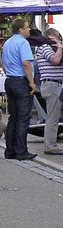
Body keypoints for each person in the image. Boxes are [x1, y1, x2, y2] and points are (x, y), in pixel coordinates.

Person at [1, 18, 37, 161]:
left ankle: (10, 150)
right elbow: (26, 63)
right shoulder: (23, 42)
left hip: (10, 80)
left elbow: (3, 63)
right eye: (27, 27)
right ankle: (21, 150)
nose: (29, 30)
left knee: (13, 117)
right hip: (21, 81)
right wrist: (32, 82)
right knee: (23, 118)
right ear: (20, 30)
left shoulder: (8, 43)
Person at [35, 27, 63, 155]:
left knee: (54, 116)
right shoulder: (45, 47)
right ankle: (50, 146)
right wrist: (60, 48)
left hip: (54, 84)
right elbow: (55, 60)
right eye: (59, 38)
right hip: (52, 84)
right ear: (52, 36)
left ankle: (51, 144)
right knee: (53, 117)